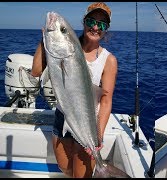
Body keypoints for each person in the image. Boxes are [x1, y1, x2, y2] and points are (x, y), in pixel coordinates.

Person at [31, 2, 118, 178]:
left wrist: (98, 136)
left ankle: (102, 168)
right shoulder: (64, 48)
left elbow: (106, 100)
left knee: (81, 176)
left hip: (88, 123)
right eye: (91, 21)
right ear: (84, 22)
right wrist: (46, 39)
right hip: (62, 116)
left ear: (106, 29)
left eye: (101, 24)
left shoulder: (108, 60)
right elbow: (36, 72)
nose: (95, 27)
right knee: (65, 167)